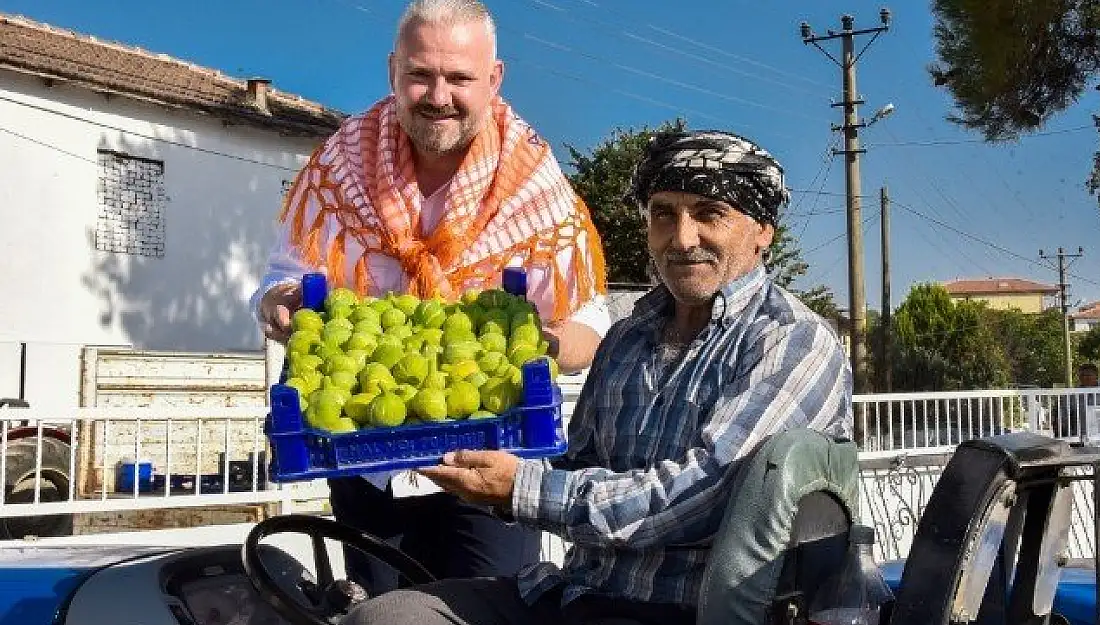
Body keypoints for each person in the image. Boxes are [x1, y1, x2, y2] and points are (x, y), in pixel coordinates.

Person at [342, 130, 853, 625]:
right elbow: (576, 463)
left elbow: (707, 492)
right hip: (576, 594)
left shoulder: (792, 341)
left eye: (708, 215)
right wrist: (469, 457)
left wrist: (521, 489)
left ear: (763, 231)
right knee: (386, 614)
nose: (682, 238)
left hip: (684, 611)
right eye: (663, 215)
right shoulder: (627, 339)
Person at [249, 0, 611, 596]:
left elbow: (587, 313)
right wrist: (280, 301)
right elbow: (283, 274)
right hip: (364, 456)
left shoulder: (533, 182)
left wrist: (556, 344)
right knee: (379, 609)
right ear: (394, 70)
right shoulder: (339, 166)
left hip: (489, 459)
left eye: (460, 77)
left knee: (487, 607)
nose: (438, 95)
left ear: (493, 79)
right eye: (420, 74)